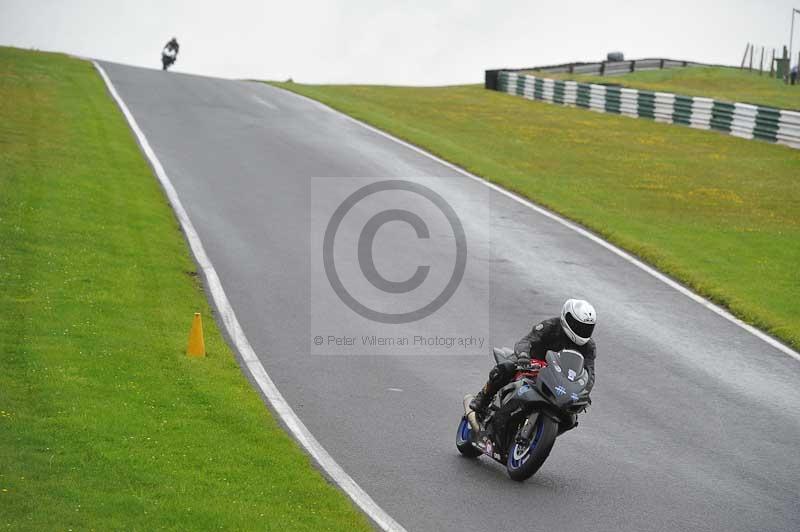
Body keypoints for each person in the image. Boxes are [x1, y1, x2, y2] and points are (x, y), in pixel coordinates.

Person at [469, 299, 597, 413]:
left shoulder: (589, 346)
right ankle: (483, 397)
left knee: (571, 415)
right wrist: (524, 355)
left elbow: (589, 373)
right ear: (567, 318)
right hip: (531, 363)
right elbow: (527, 341)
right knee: (505, 368)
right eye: (578, 326)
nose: (582, 330)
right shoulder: (551, 326)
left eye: (587, 328)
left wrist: (585, 391)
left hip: (559, 376)